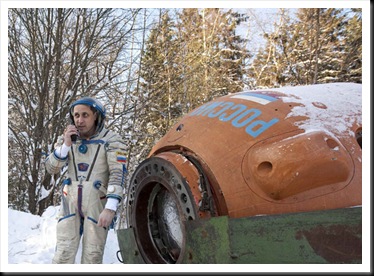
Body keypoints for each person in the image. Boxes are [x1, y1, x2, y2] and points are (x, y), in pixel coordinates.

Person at [45, 97, 128, 264]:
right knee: (63, 253)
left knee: (92, 255)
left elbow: (118, 173)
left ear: (96, 116)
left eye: (85, 115)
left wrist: (111, 207)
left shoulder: (111, 140)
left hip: (97, 203)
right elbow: (51, 168)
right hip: (71, 203)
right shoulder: (68, 139)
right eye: (76, 115)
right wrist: (67, 145)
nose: (80, 120)